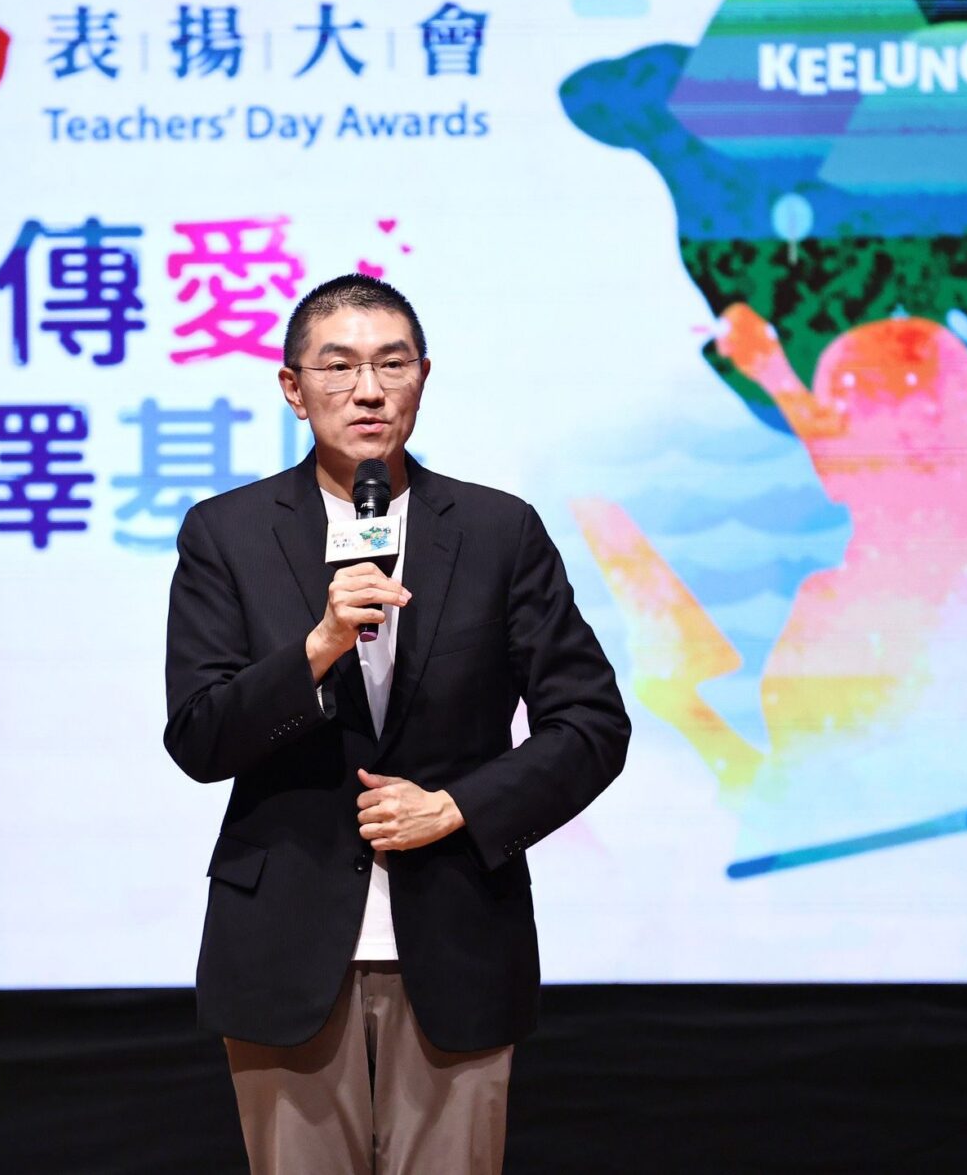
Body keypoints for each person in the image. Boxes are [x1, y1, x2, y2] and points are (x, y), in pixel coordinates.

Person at [164, 274, 631, 1173]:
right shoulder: (226, 534)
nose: (368, 390)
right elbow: (199, 734)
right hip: (284, 950)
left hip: (459, 938)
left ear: (423, 377)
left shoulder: (498, 531)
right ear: (293, 387)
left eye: (391, 364)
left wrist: (457, 806)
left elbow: (590, 723)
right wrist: (318, 648)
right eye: (338, 366)